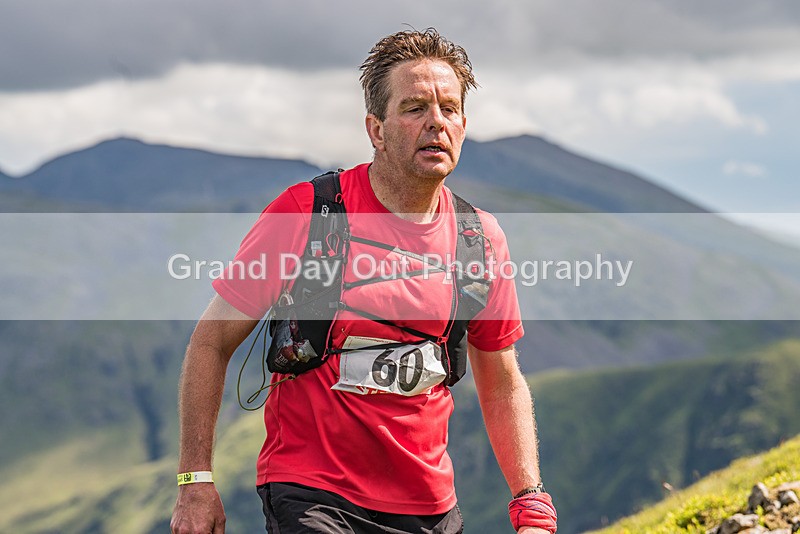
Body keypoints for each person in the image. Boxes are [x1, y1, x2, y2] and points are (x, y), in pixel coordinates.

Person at [170, 28, 557, 534]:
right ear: (375, 129)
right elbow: (211, 340)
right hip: (312, 492)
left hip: (429, 505)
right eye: (415, 108)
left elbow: (501, 378)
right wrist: (195, 480)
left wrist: (530, 499)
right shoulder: (306, 213)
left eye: (450, 108)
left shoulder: (479, 239)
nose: (436, 122)